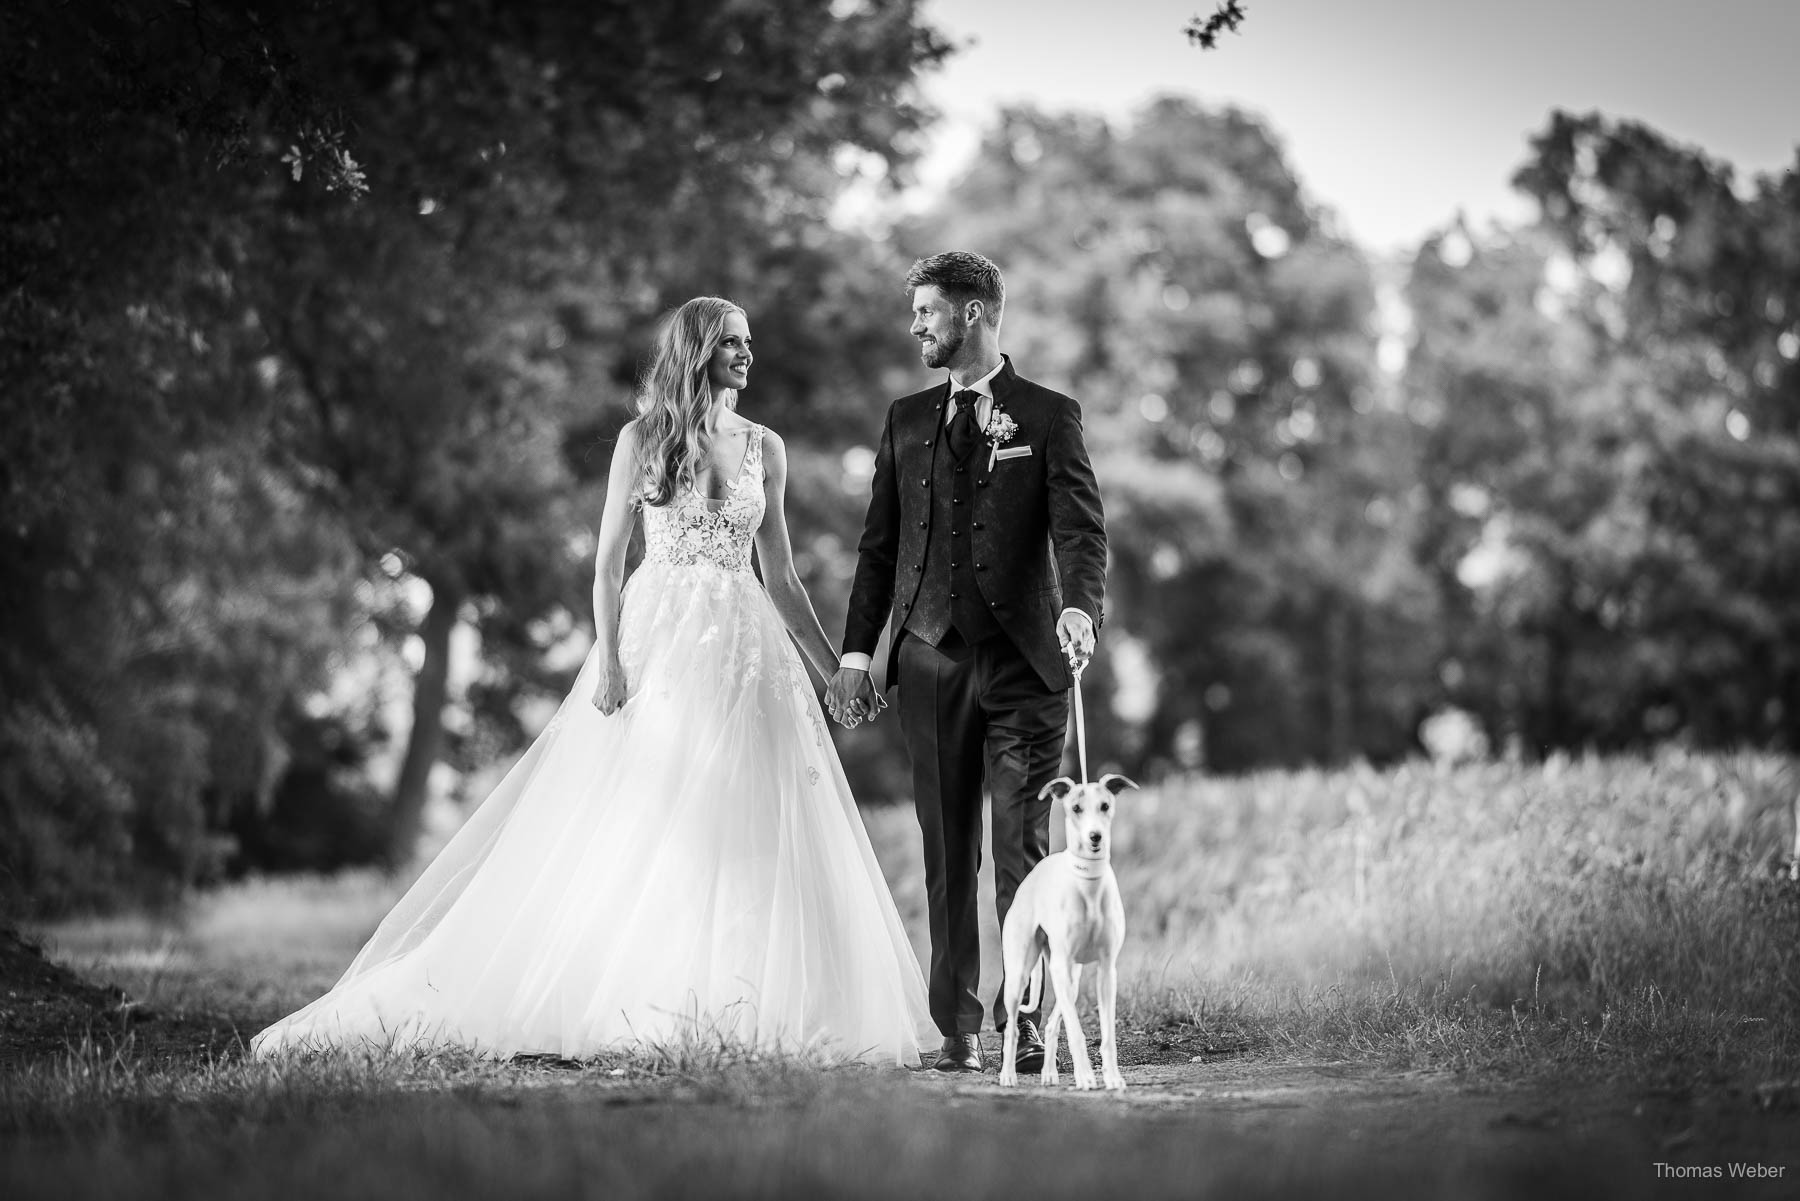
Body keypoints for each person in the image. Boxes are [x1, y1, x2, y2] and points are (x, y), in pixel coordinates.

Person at [252, 297, 932, 1065]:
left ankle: (738, 998)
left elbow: (780, 576)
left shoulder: (764, 448)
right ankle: (634, 991)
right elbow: (609, 562)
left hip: (745, 643)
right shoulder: (641, 439)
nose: (748, 354)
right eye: (733, 343)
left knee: (745, 808)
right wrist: (609, 656)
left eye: (749, 343)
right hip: (659, 638)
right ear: (699, 350)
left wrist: (832, 671)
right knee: (653, 809)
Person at [826, 252, 1108, 1074]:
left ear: (975, 313)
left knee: (1021, 850)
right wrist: (857, 654)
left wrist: (1080, 607)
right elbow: (879, 548)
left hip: (1026, 663)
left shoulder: (1050, 415)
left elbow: (1081, 532)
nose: (916, 325)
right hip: (928, 660)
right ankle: (957, 1026)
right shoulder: (905, 419)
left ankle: (1028, 1020)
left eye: (927, 311)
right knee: (948, 853)